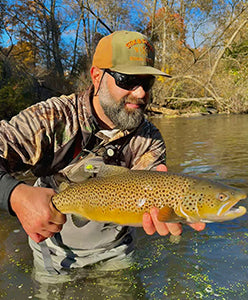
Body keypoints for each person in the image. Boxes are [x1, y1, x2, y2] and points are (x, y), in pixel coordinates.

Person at [0, 30, 205, 276]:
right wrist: (14, 195)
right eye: (127, 80)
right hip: (53, 252)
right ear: (97, 77)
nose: (140, 93)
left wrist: (167, 203)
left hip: (117, 251)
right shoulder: (52, 119)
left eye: (147, 82)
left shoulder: (149, 139)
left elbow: (152, 185)